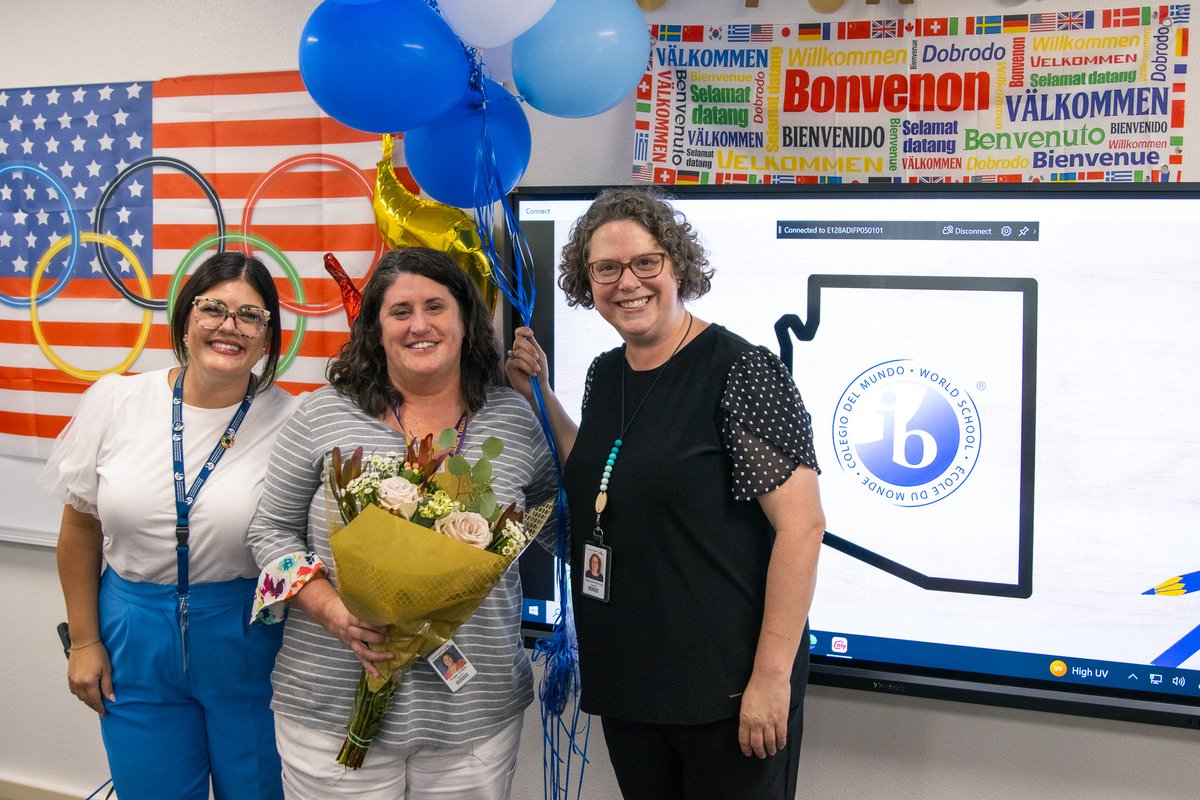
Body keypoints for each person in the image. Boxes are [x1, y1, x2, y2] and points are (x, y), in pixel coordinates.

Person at [506, 187, 826, 800]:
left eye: (645, 262)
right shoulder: (606, 373)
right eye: (606, 268)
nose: (627, 282)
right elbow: (601, 473)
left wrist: (771, 677)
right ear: (587, 282)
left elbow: (802, 527)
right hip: (631, 679)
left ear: (678, 265)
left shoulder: (742, 371)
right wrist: (540, 395)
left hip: (725, 689)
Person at [247, 246, 557, 799]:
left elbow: (557, 525)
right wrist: (335, 612)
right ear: (375, 328)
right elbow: (269, 531)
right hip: (330, 707)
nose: (420, 325)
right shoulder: (323, 413)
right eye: (400, 311)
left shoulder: (513, 418)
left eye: (436, 306)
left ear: (466, 321)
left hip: (473, 715)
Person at [40, 251, 295, 800]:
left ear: (267, 338)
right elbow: (80, 529)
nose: (229, 327)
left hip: (249, 638)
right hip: (133, 638)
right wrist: (84, 641)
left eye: (250, 316)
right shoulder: (118, 400)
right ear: (185, 319)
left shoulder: (293, 421)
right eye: (213, 309)